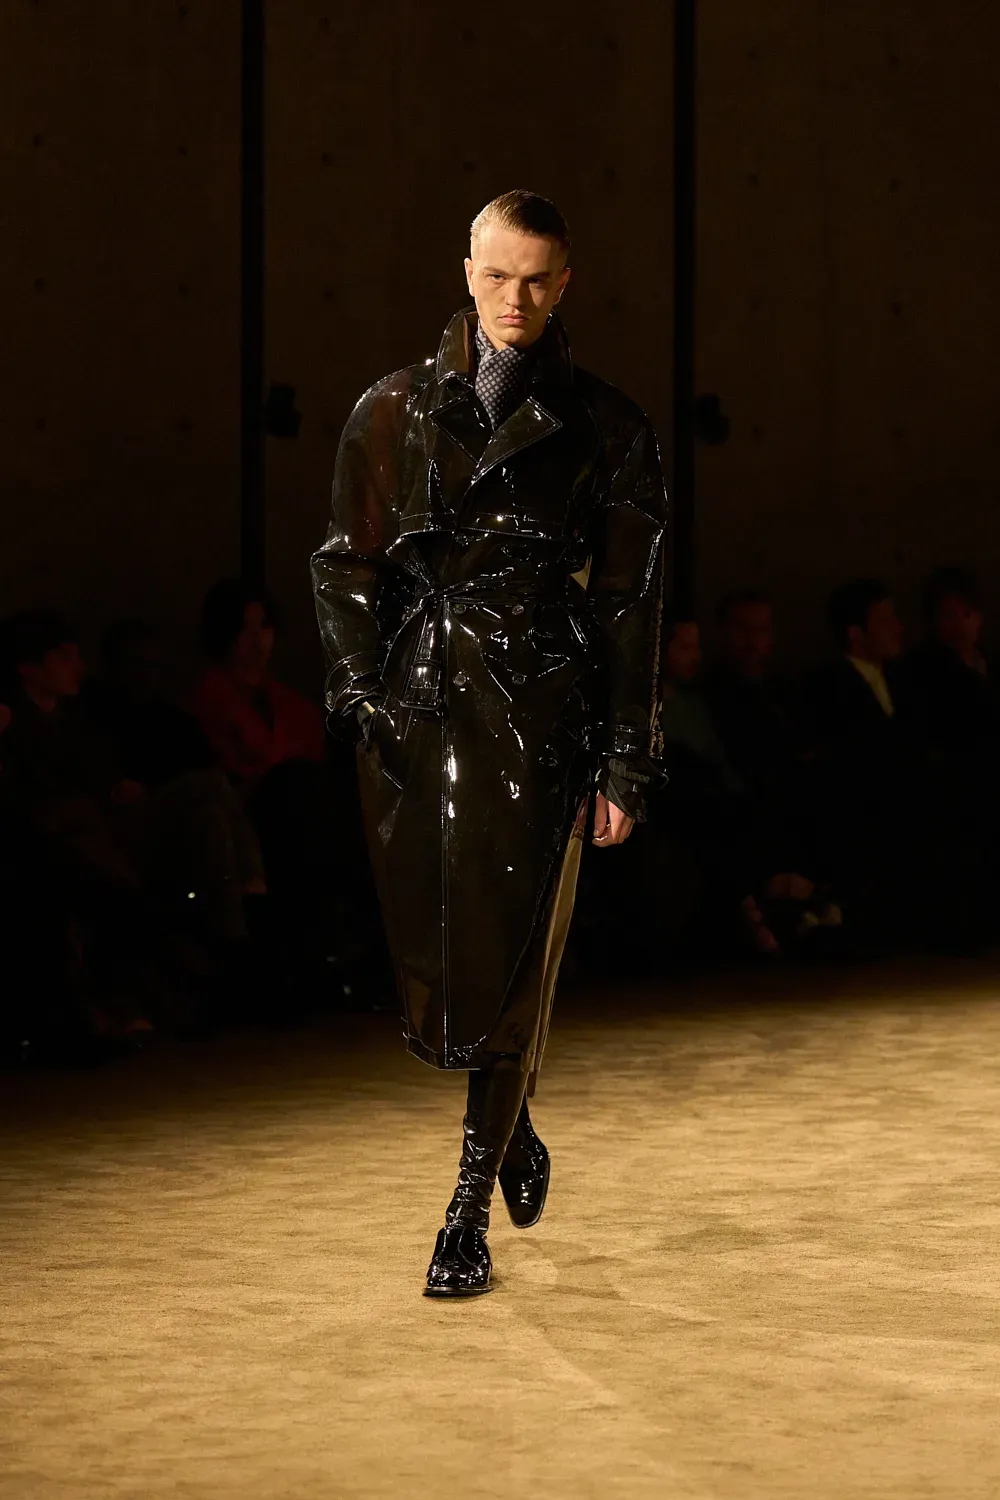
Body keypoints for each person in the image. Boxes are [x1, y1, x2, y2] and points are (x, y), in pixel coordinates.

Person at [311, 190, 666, 1297]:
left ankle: (464, 1207)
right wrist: (358, 695)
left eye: (538, 278)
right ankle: (512, 1126)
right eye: (498, 274)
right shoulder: (392, 408)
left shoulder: (607, 427)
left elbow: (631, 603)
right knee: (440, 962)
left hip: (545, 714)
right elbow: (345, 562)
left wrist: (625, 758)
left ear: (566, 284)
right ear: (467, 271)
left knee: (515, 958)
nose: (516, 298)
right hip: (416, 715)